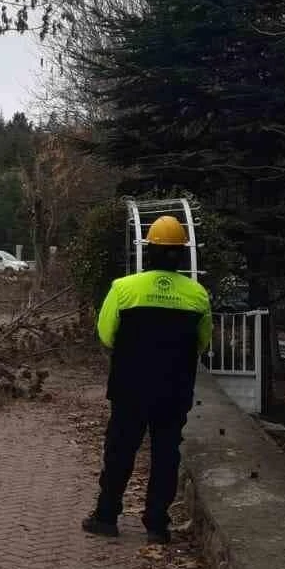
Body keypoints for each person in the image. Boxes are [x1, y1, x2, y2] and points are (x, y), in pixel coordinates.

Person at [82, 214, 212, 544]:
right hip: (175, 389)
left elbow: (106, 334)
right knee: (166, 454)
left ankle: (106, 516)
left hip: (130, 387)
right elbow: (203, 341)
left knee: (120, 452)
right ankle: (156, 524)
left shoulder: (124, 289)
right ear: (182, 254)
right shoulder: (198, 295)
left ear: (149, 250)